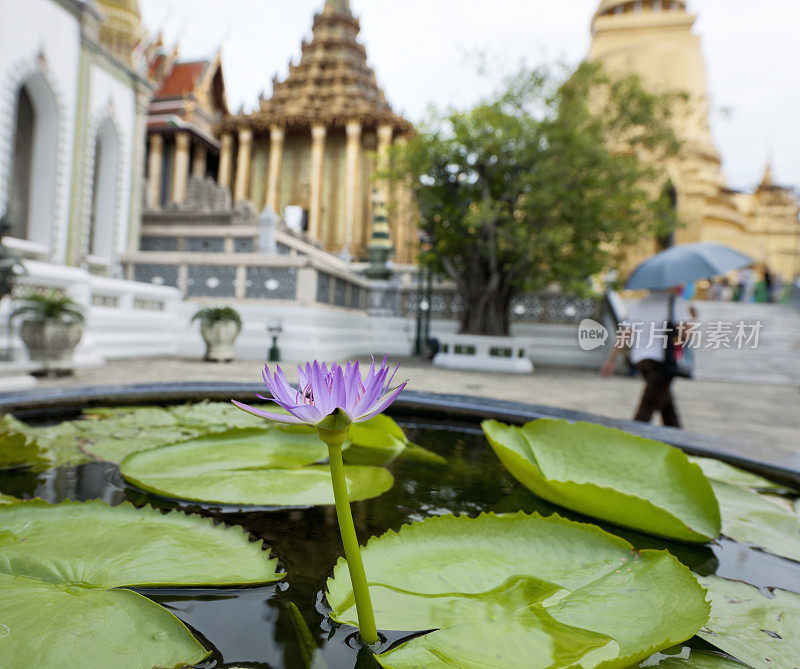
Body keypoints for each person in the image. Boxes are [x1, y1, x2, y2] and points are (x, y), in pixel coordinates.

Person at [601, 285, 694, 428]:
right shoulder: (676, 302)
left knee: (667, 408)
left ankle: (680, 444)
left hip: (641, 360)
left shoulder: (642, 303)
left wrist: (611, 360)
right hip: (662, 362)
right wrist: (691, 317)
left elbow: (625, 334)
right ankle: (631, 440)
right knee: (646, 409)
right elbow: (687, 334)